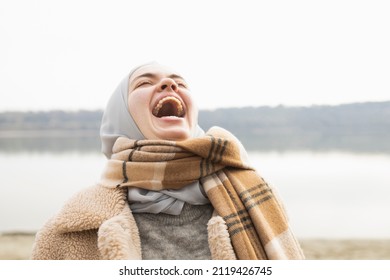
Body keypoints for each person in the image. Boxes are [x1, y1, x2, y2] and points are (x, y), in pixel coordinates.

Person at [31, 62, 304, 260]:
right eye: (145, 83)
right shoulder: (67, 229)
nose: (169, 85)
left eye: (180, 82)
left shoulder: (256, 192)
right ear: (121, 115)